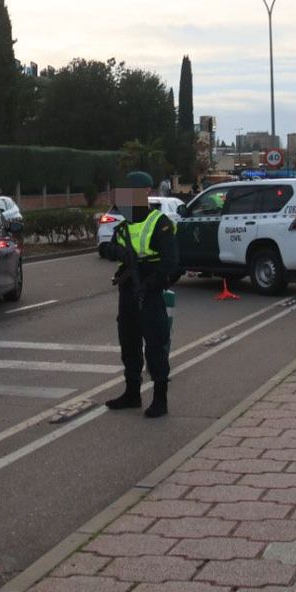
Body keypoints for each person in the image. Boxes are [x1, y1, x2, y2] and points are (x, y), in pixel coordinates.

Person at [105, 170, 179, 418]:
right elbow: (108, 247)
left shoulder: (160, 223)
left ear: (146, 193)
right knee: (129, 344)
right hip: (128, 292)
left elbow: (171, 261)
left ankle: (160, 399)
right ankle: (132, 393)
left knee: (155, 347)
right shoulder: (125, 225)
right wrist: (117, 252)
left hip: (150, 290)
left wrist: (150, 284)